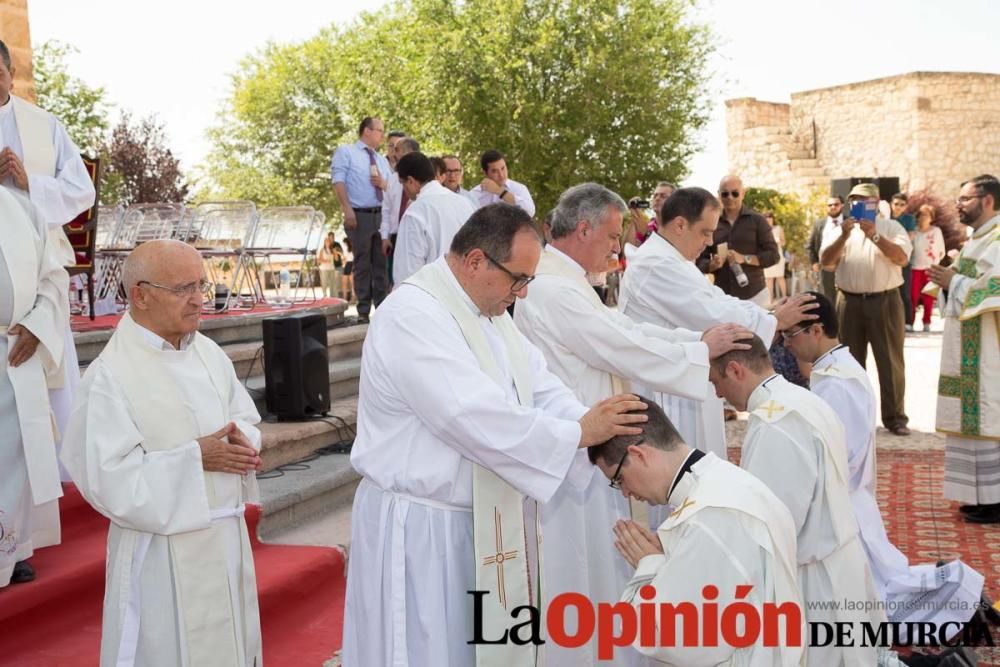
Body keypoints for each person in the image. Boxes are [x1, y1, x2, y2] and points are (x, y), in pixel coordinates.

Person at [341, 203, 647, 666]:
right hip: (425, 532)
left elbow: (540, 385)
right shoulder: (412, 314)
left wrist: (595, 429)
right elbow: (470, 415)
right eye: (517, 279)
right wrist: (579, 432)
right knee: (431, 650)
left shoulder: (491, 313)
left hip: (483, 520)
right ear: (476, 260)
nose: (522, 295)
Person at [513, 183, 753, 667]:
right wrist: (697, 350)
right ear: (582, 229)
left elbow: (623, 331)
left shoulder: (569, 281)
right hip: (576, 449)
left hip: (595, 444)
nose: (617, 245)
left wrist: (693, 343)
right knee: (581, 566)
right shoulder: (553, 289)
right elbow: (619, 344)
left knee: (600, 562)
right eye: (611, 233)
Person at [60, 239, 264, 666]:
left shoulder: (207, 353)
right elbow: (106, 480)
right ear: (141, 295)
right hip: (161, 560)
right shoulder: (109, 377)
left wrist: (242, 440)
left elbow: (244, 418)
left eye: (202, 286)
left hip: (224, 544)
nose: (198, 300)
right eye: (184, 288)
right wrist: (195, 459)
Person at [782, 292, 986, 638]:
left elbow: (836, 458)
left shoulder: (836, 384)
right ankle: (957, 596)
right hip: (850, 500)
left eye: (790, 335)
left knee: (871, 605)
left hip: (841, 505)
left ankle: (959, 601)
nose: (786, 344)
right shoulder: (836, 371)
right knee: (873, 591)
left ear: (816, 330)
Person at [618, 188, 817, 489]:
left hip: (687, 381)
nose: (710, 242)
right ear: (680, 225)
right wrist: (774, 320)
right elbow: (711, 313)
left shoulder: (674, 260)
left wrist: (769, 313)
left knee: (699, 476)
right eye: (706, 232)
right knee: (682, 483)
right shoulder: (654, 264)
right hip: (670, 393)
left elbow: (718, 298)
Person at [707, 337, 887, 666]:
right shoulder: (799, 398)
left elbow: (776, 521)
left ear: (735, 370)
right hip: (840, 562)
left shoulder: (777, 423)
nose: (718, 395)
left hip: (816, 582)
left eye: (716, 383)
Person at [589, 400, 805, 666]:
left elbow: (680, 638)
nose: (625, 492)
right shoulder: (728, 481)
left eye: (619, 479)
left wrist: (650, 567)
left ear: (639, 455)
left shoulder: (706, 516)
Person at [0, 38, 96, 583]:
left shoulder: (43, 126)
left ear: (11, 73)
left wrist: (26, 183)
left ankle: (52, 492)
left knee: (43, 398)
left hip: (37, 275)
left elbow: (78, 192)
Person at [0, 187, 68, 587]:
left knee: (15, 450)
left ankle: (14, 546)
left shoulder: (20, 207)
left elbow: (53, 278)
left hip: (15, 346)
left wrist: (38, 325)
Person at [930, 175, 1000, 524]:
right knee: (970, 421)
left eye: (965, 198)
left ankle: (996, 500)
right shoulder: (978, 240)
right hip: (967, 347)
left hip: (989, 348)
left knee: (990, 417)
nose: (958, 204)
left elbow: (996, 289)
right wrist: (946, 278)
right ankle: (979, 496)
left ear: (988, 200)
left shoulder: (999, 240)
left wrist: (953, 282)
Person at [820, 182, 913, 436]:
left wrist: (874, 235)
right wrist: (843, 236)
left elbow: (902, 258)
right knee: (849, 362)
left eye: (864, 201)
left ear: (876, 202)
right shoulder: (840, 230)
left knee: (890, 361)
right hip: (848, 301)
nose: (858, 206)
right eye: (854, 201)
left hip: (885, 300)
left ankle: (895, 417)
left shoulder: (892, 227)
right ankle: (853, 416)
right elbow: (826, 263)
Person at [331, 116, 392, 323]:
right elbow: (338, 181)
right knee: (362, 263)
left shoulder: (382, 160)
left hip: (381, 215)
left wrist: (384, 184)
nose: (382, 135)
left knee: (381, 264)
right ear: (367, 131)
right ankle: (363, 310)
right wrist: (347, 209)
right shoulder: (346, 152)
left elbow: (392, 188)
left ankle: (382, 308)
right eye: (380, 131)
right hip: (359, 215)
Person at [392, 151, 476, 284]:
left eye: (402, 184)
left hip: (432, 295)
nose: (404, 190)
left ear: (411, 181)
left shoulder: (415, 213)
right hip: (468, 291)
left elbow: (407, 272)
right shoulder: (465, 203)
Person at [701, 175, 779, 306]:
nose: (730, 197)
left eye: (735, 193)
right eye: (725, 194)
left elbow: (773, 256)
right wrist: (711, 265)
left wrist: (745, 258)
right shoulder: (711, 223)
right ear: (719, 195)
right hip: (723, 297)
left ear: (743, 193)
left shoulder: (757, 221)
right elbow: (698, 259)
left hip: (755, 295)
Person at [380, 137, 420, 286]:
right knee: (396, 278)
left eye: (398, 150)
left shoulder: (425, 178)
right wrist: (385, 236)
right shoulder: (392, 179)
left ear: (412, 153)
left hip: (416, 234)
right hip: (396, 238)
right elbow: (386, 209)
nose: (394, 154)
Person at [910, 204, 945, 331]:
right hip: (915, 267)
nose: (923, 217)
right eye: (921, 215)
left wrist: (935, 263)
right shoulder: (913, 231)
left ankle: (926, 322)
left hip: (930, 268)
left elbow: (941, 251)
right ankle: (910, 322)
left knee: (929, 297)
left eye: (926, 215)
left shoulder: (936, 231)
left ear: (931, 217)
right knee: (913, 296)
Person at [471, 149, 536, 216]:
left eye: (503, 168)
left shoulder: (519, 188)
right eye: (494, 171)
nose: (501, 175)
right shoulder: (474, 195)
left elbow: (530, 212)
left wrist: (500, 192)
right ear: (485, 173)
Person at [809, 196, 844, 302]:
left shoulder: (849, 221)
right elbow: (810, 245)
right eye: (830, 205)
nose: (833, 207)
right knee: (828, 298)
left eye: (836, 204)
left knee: (843, 298)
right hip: (825, 268)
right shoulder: (819, 224)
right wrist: (814, 262)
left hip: (845, 266)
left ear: (842, 205)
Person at [891, 193, 917, 331]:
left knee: (905, 293)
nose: (898, 207)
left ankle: (908, 322)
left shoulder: (908, 219)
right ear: (891, 204)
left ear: (905, 206)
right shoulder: (885, 219)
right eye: (896, 204)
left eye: (901, 204)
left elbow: (909, 237)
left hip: (904, 260)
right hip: (888, 261)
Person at [763, 211, 787, 300]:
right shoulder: (762, 230)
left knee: (780, 277)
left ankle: (785, 297)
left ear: (773, 219)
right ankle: (770, 300)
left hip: (778, 255)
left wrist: (778, 242)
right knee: (769, 279)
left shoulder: (779, 228)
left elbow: (784, 242)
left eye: (770, 218)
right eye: (766, 218)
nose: (768, 220)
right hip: (767, 256)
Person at [317, 231, 340, 299]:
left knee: (332, 283)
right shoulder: (322, 250)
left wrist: (335, 253)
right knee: (324, 282)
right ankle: (324, 294)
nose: (328, 242)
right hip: (324, 269)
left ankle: (333, 296)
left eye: (329, 241)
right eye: (326, 241)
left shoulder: (332, 250)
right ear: (324, 242)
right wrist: (326, 261)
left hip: (331, 268)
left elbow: (336, 259)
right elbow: (319, 260)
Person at [341, 236, 355, 304]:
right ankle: (344, 298)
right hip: (347, 265)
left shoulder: (353, 248)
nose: (344, 244)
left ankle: (353, 297)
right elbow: (344, 258)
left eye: (345, 243)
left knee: (352, 283)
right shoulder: (345, 249)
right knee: (344, 282)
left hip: (352, 264)